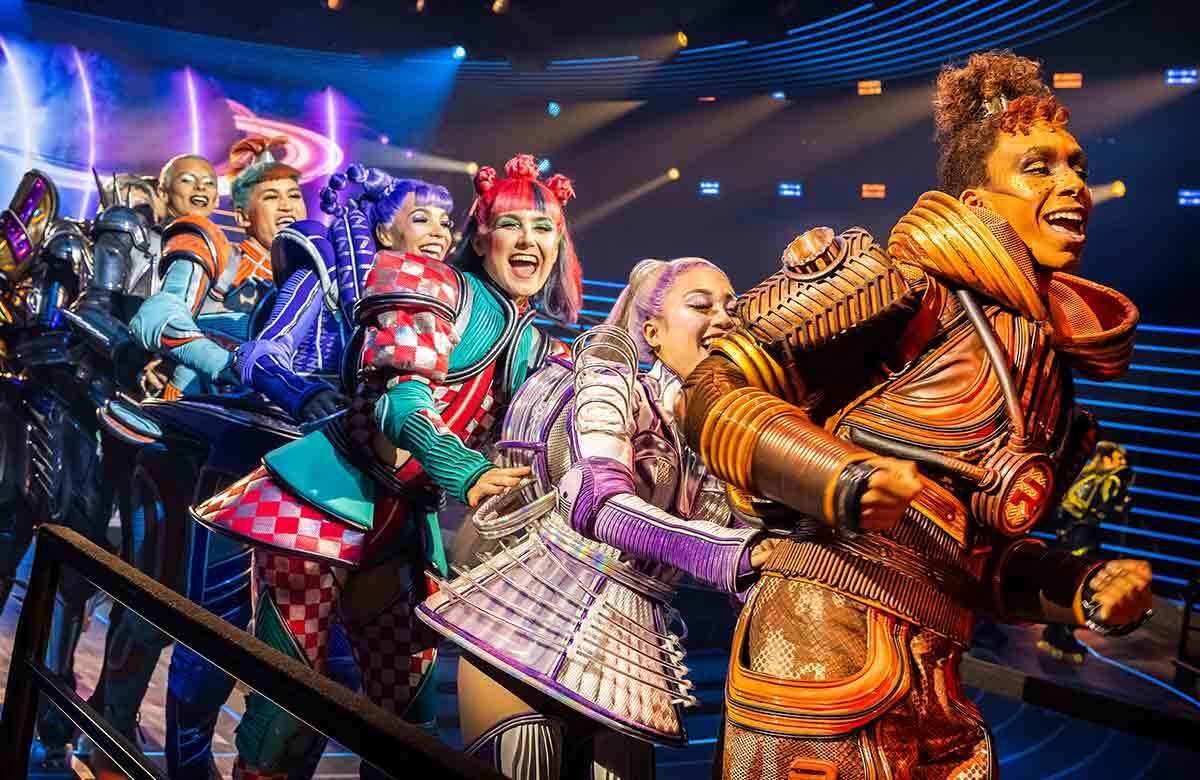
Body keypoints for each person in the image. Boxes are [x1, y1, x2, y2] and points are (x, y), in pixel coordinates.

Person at [681, 50, 1153, 778]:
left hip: (938, 680)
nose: (1072, 184)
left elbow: (982, 562)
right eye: (1039, 167)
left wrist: (1078, 588)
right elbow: (713, 391)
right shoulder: (896, 287)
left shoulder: (1049, 378)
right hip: (818, 652)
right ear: (973, 203)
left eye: (1077, 167)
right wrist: (838, 475)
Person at [192, 154, 582, 780]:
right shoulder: (426, 285)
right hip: (324, 502)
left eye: (544, 229)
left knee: (407, 723)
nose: (529, 241)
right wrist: (469, 473)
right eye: (512, 225)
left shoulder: (541, 341)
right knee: (284, 709)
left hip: (405, 525)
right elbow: (402, 405)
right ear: (482, 238)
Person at [418, 257, 778, 779]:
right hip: (529, 625)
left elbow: (750, 543)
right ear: (652, 331)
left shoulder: (717, 430)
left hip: (630, 655)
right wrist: (730, 555)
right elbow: (597, 503)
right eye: (701, 305)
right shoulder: (610, 383)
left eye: (731, 308)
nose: (723, 317)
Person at [95, 137, 305, 779]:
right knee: (158, 607)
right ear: (244, 213)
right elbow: (159, 317)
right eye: (271, 196)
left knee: (262, 628)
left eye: (296, 193)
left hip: (263, 461)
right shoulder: (213, 247)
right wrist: (236, 365)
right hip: (182, 451)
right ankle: (106, 739)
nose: (289, 205)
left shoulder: (313, 275)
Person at [236, 165, 455, 425]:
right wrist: (303, 396)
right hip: (307, 438)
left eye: (444, 222)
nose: (439, 232)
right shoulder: (326, 273)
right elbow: (255, 355)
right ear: (384, 233)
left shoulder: (452, 294)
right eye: (421, 219)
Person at [1039, 441, 1134, 662]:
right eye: (1119, 458)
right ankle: (1061, 636)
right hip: (1081, 539)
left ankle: (1053, 633)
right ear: (1107, 459)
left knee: (1067, 586)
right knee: (1079, 588)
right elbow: (1103, 509)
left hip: (1070, 538)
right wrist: (1122, 503)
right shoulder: (1106, 480)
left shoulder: (1085, 476)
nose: (1123, 463)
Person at [158, 154, 218, 221]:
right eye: (187, 180)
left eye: (209, 183)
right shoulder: (150, 231)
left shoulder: (216, 231)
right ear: (163, 193)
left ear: (216, 199)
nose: (201, 186)